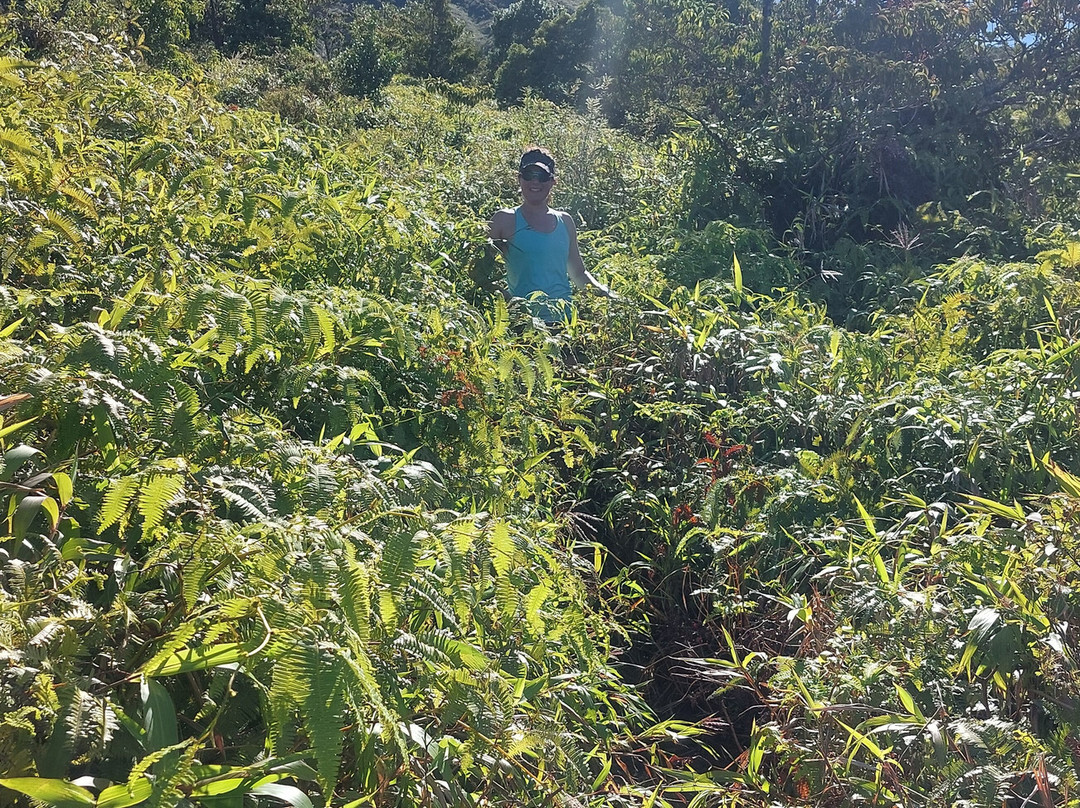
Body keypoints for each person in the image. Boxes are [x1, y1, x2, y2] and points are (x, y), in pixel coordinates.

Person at [487, 146, 614, 322]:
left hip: (566, 324)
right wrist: (508, 301)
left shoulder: (565, 221)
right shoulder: (503, 220)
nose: (535, 182)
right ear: (519, 178)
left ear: (553, 181)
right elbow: (480, 273)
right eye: (529, 175)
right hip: (525, 327)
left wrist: (609, 296)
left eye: (542, 176)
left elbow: (578, 274)